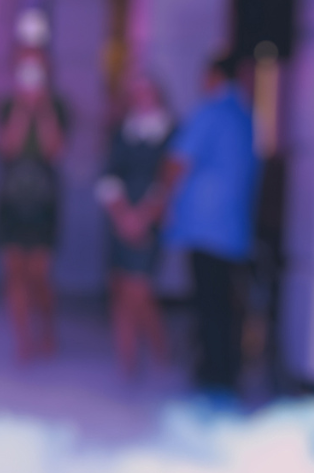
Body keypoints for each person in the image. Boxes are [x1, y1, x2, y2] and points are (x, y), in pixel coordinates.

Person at [148, 55, 258, 395]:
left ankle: (213, 378)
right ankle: (228, 372)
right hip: (234, 228)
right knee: (226, 304)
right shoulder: (245, 116)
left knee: (208, 305)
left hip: (204, 226)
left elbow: (178, 162)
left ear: (213, 77)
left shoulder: (208, 112)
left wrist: (160, 199)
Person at [97, 73, 174, 378]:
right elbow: (108, 176)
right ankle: (126, 360)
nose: (140, 98)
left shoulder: (172, 132)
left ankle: (158, 347)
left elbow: (168, 180)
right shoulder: (121, 132)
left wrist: (141, 217)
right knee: (121, 286)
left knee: (139, 289)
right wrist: (121, 215)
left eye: (146, 92)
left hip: (150, 217)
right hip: (120, 216)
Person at [0, 46, 67, 359]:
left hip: (43, 197)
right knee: (14, 270)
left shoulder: (59, 107)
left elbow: (55, 149)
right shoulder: (8, 105)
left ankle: (47, 329)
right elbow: (8, 148)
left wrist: (43, 109)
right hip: (12, 194)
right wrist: (23, 110)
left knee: (38, 273)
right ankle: (23, 340)